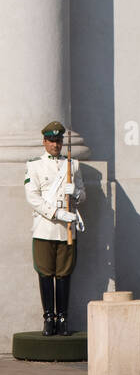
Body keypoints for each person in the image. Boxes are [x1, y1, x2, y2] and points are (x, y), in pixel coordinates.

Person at [25, 121, 86, 336]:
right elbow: (32, 197)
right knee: (44, 273)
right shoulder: (34, 165)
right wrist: (56, 213)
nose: (55, 144)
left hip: (66, 228)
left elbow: (83, 194)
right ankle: (48, 318)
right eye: (51, 140)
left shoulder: (73, 164)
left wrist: (76, 193)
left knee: (64, 274)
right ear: (44, 142)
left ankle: (63, 318)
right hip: (45, 226)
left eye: (58, 141)